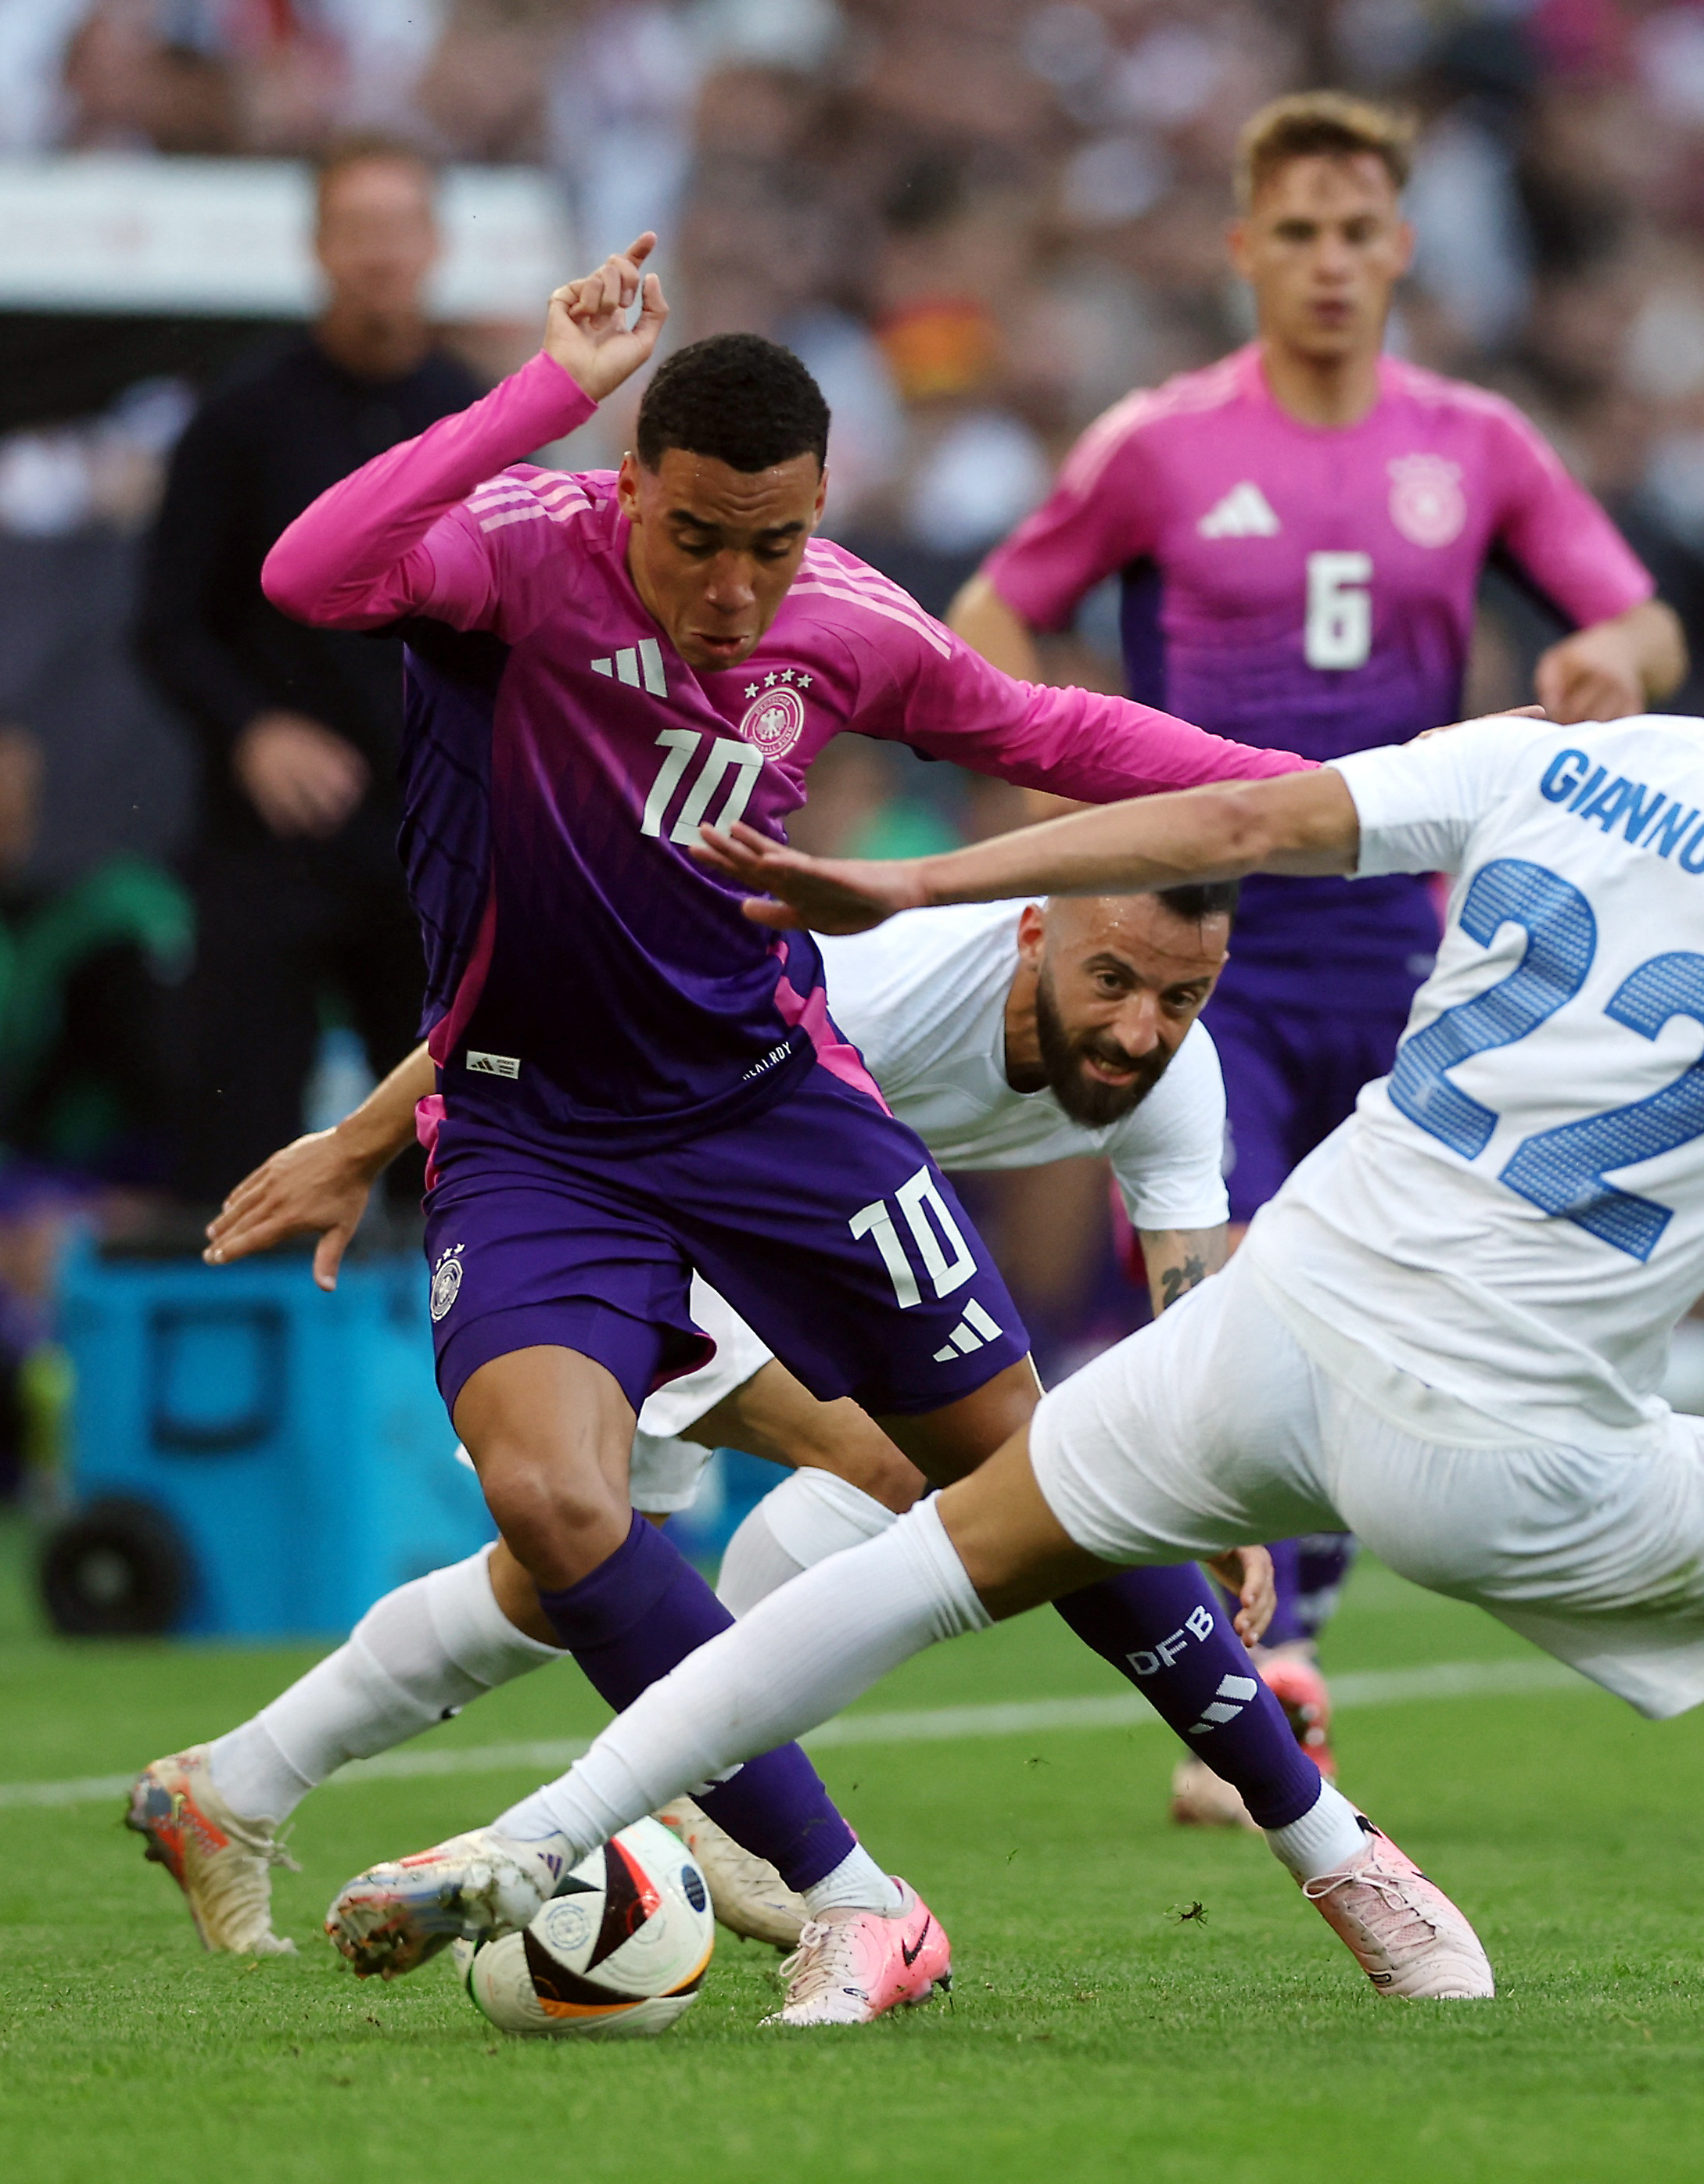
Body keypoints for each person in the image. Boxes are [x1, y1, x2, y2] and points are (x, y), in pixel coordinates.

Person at [329, 468, 1704, 2029]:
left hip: (1277, 1326)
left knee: (920, 1566)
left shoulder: (1556, 750)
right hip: (1504, 1440)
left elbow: (1239, 816)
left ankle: (523, 1830)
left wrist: (928, 882)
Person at [216, 233, 1351, 2025]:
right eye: (700, 538)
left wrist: (1333, 795)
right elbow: (308, 568)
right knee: (559, 1506)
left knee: (1007, 1476)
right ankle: (845, 1894)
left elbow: (1043, 723)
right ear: (629, 489)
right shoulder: (517, 555)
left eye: (776, 542)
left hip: (765, 1120)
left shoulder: (843, 621)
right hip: (538, 1135)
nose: (741, 589)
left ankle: (1343, 1855)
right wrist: (541, 390)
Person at [947, 92, 1688, 1809]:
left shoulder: (1478, 442)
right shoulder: (1159, 443)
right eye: (1298, 234)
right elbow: (992, 611)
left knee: (1392, 1308)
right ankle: (1257, 1669)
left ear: (1402, 249)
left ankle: (1287, 1654)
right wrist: (1084, 756)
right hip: (1208, 959)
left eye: (1359, 233)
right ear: (1245, 250)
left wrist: (1607, 656)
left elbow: (1633, 610)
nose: (1331, 262)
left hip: (1408, 954)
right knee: (1241, 1303)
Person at [134, 883, 1254, 1955]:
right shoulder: (889, 977)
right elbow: (565, 995)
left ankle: (233, 1786)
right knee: (885, 1459)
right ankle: (712, 1798)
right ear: (1032, 938)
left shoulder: (1172, 1081)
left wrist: (1201, 1492)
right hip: (609, 1185)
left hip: (774, 1232)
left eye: (1178, 997)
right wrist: (359, 1139)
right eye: (1111, 978)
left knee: (572, 1576)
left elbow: (1187, 1318)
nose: (1138, 1026)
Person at [135, 136, 483, 1202]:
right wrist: (252, 729)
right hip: (269, 847)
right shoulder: (239, 420)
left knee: (456, 1141)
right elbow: (165, 625)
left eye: (398, 232)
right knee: (237, 1130)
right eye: (356, 232)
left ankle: (463, 1365)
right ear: (319, 248)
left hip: (429, 843)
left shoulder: (478, 417)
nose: (379, 258)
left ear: (434, 247)